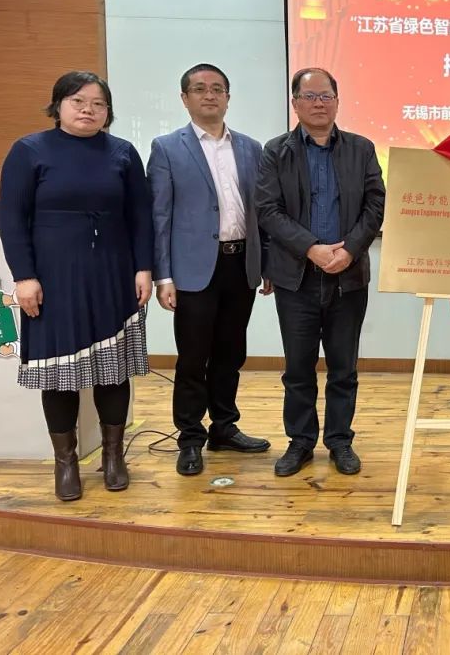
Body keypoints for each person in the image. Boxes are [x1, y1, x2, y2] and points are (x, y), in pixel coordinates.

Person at [0, 71, 153, 501]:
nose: (88, 110)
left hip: (113, 274)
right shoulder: (29, 150)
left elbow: (140, 216)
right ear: (58, 105)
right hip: (53, 278)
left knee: (113, 371)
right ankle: (65, 463)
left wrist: (144, 268)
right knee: (58, 374)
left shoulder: (122, 152)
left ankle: (114, 455)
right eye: (78, 101)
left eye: (98, 103)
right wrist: (24, 277)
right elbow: (12, 220)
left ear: (108, 111)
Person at [256, 67, 385, 477]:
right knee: (298, 368)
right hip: (297, 277)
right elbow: (268, 210)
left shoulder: (361, 149)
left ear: (337, 101)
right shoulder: (275, 151)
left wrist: (349, 250)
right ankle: (300, 441)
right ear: (295, 103)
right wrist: (310, 248)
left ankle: (340, 441)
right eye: (309, 96)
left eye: (326, 96)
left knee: (344, 367)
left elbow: (375, 205)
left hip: (348, 277)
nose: (318, 103)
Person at [148, 63, 271, 478]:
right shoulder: (167, 147)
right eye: (200, 89)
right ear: (185, 98)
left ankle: (224, 427)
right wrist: (164, 276)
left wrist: (266, 263)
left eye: (218, 88)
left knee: (230, 353)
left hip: (241, 264)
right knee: (193, 356)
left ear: (228, 98)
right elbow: (159, 216)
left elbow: (261, 212)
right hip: (192, 269)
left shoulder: (251, 148)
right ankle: (189, 437)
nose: (209, 95)